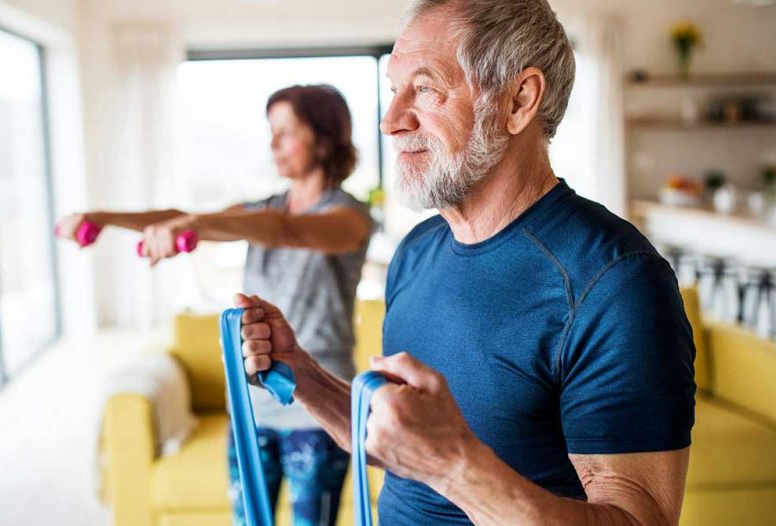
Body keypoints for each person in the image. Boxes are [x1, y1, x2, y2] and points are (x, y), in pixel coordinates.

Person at [235, 1, 697, 525]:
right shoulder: (417, 252)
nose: (390, 122)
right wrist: (306, 376)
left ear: (519, 100)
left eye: (426, 89)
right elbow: (401, 448)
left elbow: (641, 519)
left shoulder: (616, 283)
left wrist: (454, 467)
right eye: (394, 91)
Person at [56, 84, 372, 526]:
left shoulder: (349, 216)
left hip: (318, 412)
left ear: (322, 137)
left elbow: (286, 230)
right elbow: (181, 214)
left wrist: (199, 224)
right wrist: (105, 219)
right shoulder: (262, 208)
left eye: (286, 132)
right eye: (271, 132)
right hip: (250, 404)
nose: (273, 143)